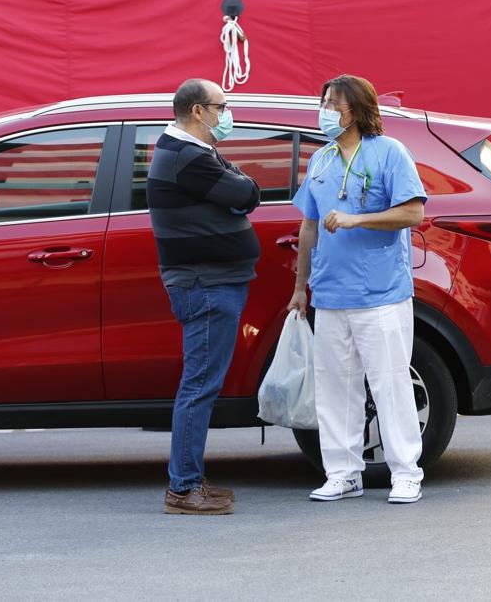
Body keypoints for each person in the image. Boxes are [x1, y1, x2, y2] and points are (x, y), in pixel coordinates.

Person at [288, 74, 428, 504]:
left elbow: (413, 213)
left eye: (335, 104)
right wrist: (300, 287)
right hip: (330, 294)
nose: (327, 111)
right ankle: (343, 472)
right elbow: (308, 224)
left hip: (380, 293)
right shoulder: (322, 160)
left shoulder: (389, 153)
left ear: (358, 109)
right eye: (324, 102)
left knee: (390, 383)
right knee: (334, 386)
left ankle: (406, 471)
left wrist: (356, 220)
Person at [147, 78, 261, 515]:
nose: (226, 113)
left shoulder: (193, 152)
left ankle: (190, 477)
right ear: (198, 111)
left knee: (200, 385)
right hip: (206, 285)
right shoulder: (187, 157)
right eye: (221, 106)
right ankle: (183, 487)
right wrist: (235, 184)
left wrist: (233, 183)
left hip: (213, 283)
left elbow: (238, 190)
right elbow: (246, 192)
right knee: (199, 387)